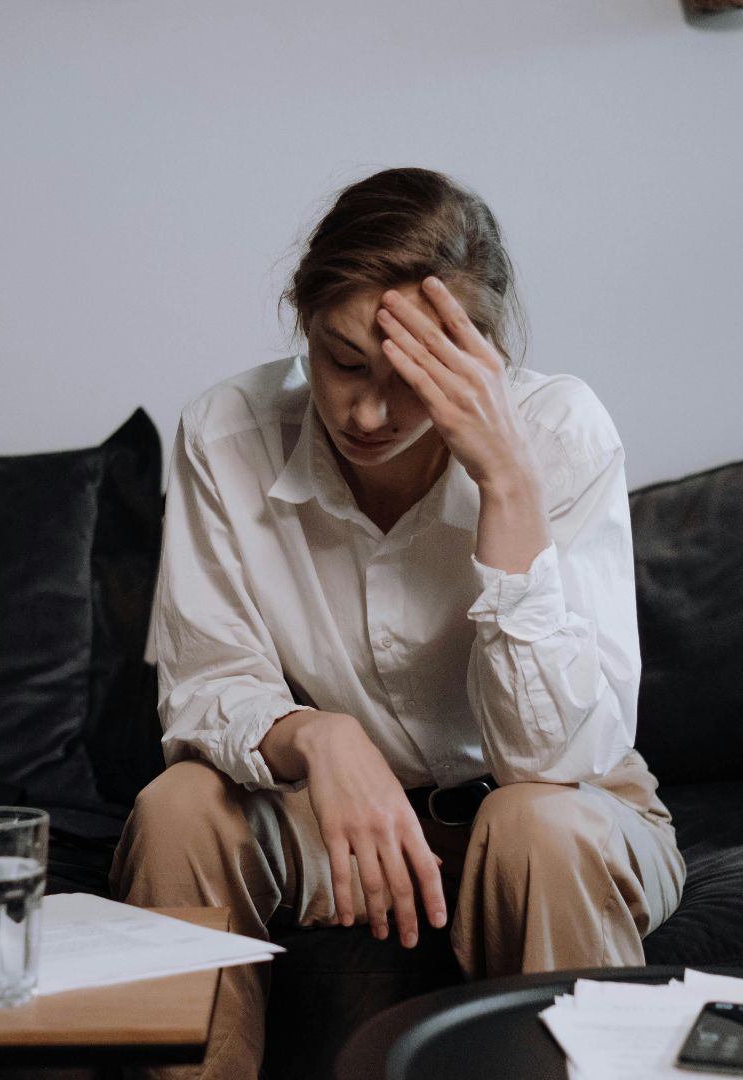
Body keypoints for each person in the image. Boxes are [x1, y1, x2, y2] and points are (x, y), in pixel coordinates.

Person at [110, 167, 685, 1080]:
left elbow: (555, 760)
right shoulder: (224, 431)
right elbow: (206, 686)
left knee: (536, 823)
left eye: (414, 379)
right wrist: (322, 739)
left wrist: (504, 483)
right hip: (336, 822)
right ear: (304, 317)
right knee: (176, 807)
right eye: (344, 363)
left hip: (558, 807)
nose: (368, 414)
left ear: (479, 357)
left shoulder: (560, 431)